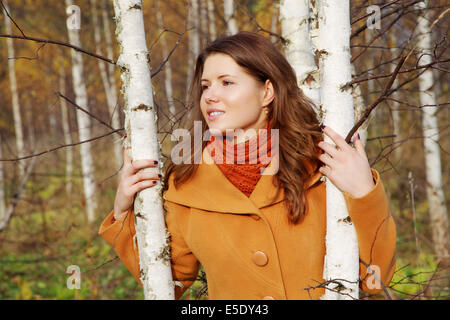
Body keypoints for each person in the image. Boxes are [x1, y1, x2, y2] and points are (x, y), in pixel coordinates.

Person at [99, 31, 396, 300]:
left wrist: (364, 193)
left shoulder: (321, 164)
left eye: (227, 83)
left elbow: (373, 280)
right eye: (205, 86)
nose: (210, 96)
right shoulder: (186, 182)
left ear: (267, 92)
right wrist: (124, 212)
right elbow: (168, 283)